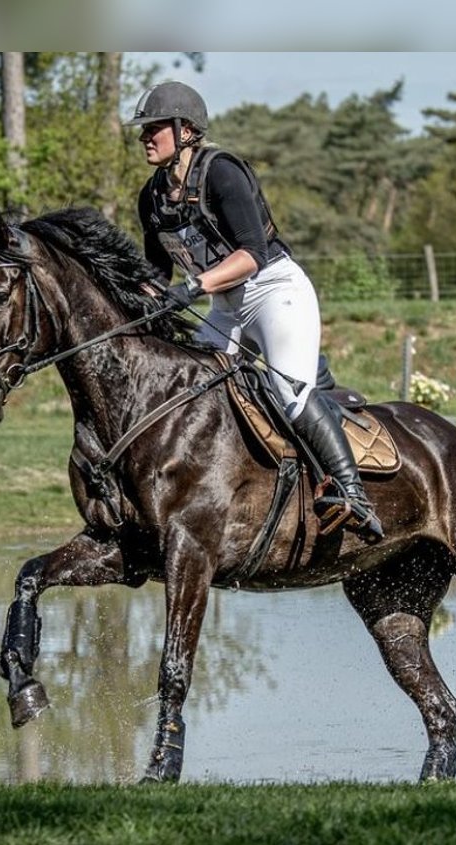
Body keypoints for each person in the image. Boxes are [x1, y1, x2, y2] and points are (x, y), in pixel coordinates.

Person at [128, 81, 383, 544]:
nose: (146, 137)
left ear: (186, 131)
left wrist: (194, 286)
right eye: (143, 130)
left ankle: (352, 492)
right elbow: (154, 273)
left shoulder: (222, 173)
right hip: (222, 304)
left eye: (155, 127)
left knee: (288, 391)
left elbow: (252, 255)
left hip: (272, 290)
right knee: (188, 392)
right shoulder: (152, 197)